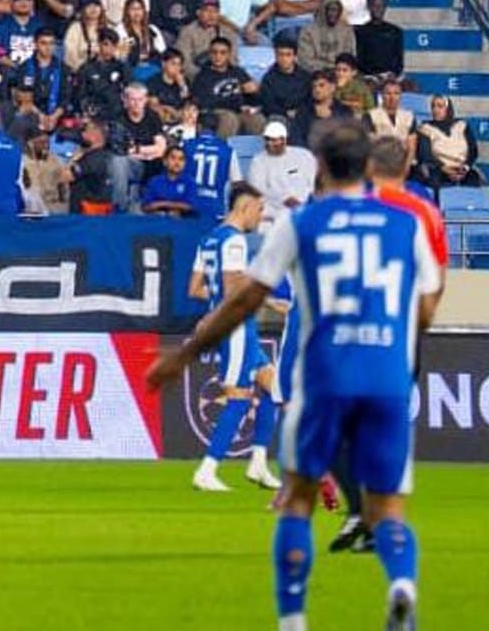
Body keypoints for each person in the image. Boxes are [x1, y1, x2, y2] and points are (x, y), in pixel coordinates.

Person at [146, 121, 442, 631]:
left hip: (325, 375)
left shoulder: (301, 223)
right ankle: (401, 586)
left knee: (299, 500)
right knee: (389, 505)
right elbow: (426, 307)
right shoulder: (404, 225)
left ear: (320, 166)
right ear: (368, 167)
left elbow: (245, 299)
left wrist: (186, 354)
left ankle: (293, 621)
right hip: (388, 378)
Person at [182, 181, 281, 492]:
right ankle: (208, 469)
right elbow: (232, 290)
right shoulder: (235, 242)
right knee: (238, 397)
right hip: (235, 327)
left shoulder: (209, 239)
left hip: (236, 325)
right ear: (244, 207)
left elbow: (195, 289)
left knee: (274, 389)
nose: (260, 216)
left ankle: (259, 463)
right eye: (260, 209)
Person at [246, 120, 318, 230]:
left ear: (284, 140)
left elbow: (314, 183)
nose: (269, 144)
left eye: (274, 140)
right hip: (273, 209)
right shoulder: (258, 160)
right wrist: (284, 199)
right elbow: (257, 189)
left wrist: (303, 203)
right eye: (267, 139)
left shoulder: (304, 155)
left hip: (304, 207)